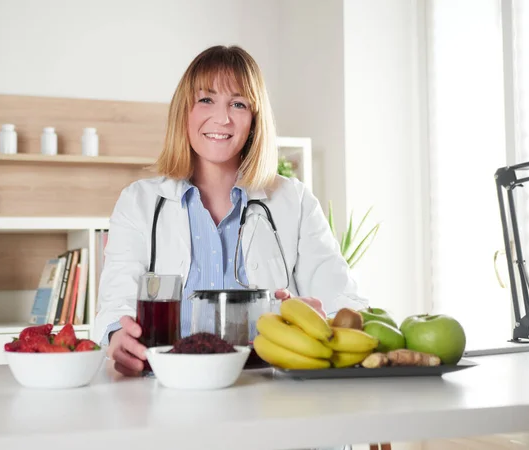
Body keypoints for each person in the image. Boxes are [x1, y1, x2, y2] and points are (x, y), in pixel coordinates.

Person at [95, 44, 368, 377]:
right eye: (206, 99)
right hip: (167, 385)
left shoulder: (294, 201)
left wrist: (323, 317)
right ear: (185, 111)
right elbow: (116, 300)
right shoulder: (138, 202)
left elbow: (341, 296)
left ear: (254, 120)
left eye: (238, 103)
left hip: (268, 387)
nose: (222, 118)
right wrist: (118, 335)